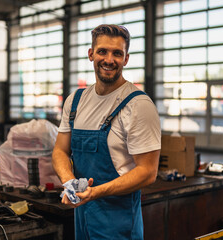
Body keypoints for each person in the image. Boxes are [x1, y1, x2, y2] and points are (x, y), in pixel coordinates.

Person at [52, 24, 161, 240]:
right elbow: (60, 151)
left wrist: (95, 193)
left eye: (117, 53)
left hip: (118, 221)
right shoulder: (75, 101)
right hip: (83, 214)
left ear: (126, 59)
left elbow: (148, 172)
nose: (109, 59)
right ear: (91, 54)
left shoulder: (138, 105)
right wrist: (70, 183)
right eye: (102, 51)